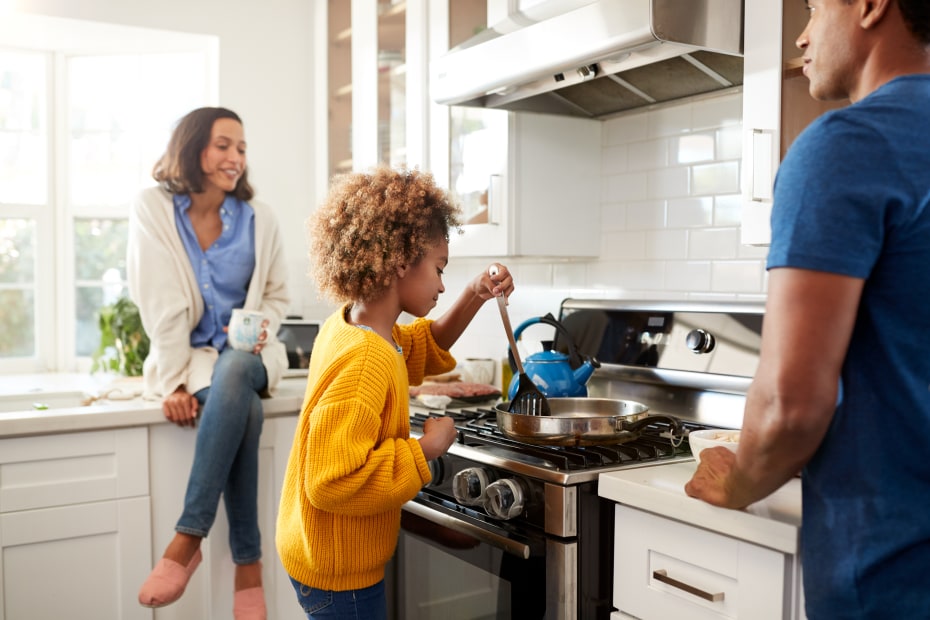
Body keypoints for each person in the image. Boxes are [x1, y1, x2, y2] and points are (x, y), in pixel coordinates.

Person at [684, 1, 930, 617]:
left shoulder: (848, 145)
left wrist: (739, 481)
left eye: (817, 8)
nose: (801, 33)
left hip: (888, 576)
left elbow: (792, 404)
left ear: (872, 6)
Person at [275, 165, 515, 619]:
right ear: (402, 260)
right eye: (439, 268)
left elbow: (424, 344)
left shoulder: (354, 326)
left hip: (320, 553)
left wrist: (475, 293)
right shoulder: (366, 358)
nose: (443, 284)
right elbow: (331, 482)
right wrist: (425, 448)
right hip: (339, 572)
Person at [128, 106, 289, 620]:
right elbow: (161, 305)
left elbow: (279, 296)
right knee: (247, 410)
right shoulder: (154, 208)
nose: (235, 157)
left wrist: (256, 328)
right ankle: (250, 566)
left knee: (239, 367)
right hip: (194, 361)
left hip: (254, 353)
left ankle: (187, 536)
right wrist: (173, 381)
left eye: (241, 148)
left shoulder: (260, 218)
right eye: (223, 145)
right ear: (194, 147)